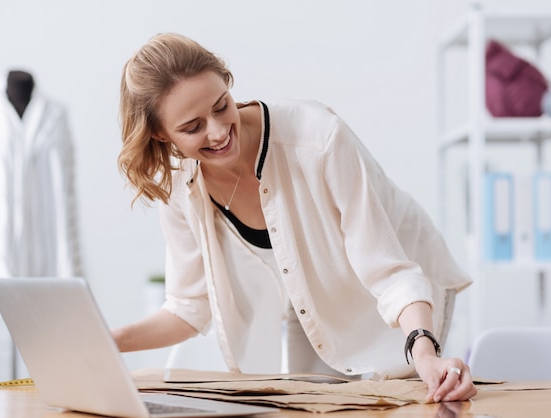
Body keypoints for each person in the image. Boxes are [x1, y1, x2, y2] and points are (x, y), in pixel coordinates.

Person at [112, 32, 478, 403]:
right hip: (314, 300)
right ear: (160, 133)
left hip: (406, 292)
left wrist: (425, 352)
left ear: (227, 83)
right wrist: (110, 341)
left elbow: (390, 271)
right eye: (193, 127)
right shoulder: (180, 187)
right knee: (310, 406)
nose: (219, 131)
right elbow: (189, 308)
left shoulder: (318, 139)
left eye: (222, 106)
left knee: (408, 401)